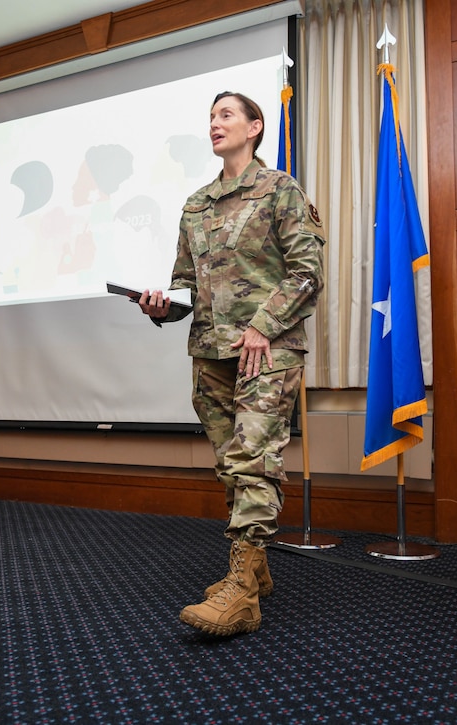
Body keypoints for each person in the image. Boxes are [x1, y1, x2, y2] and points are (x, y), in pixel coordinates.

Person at [138, 91, 325, 636]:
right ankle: (258, 572)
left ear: (255, 127)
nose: (215, 124)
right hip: (209, 352)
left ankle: (241, 594)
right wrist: (159, 307)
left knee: (254, 460)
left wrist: (263, 325)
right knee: (230, 465)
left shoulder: (279, 190)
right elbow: (185, 284)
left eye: (226, 115)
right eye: (211, 116)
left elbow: (308, 269)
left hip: (266, 349)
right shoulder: (195, 203)